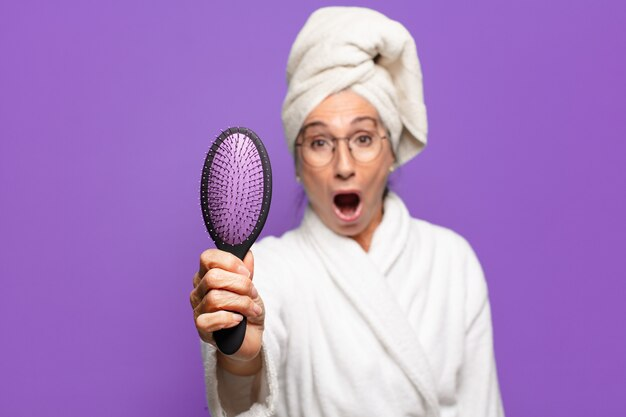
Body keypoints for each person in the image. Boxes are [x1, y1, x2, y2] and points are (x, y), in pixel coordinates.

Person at [190, 6, 504, 417]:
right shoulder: (263, 272)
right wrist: (242, 361)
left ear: (392, 150)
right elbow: (242, 398)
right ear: (298, 163)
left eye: (362, 138)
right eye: (320, 142)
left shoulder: (452, 261)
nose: (343, 165)